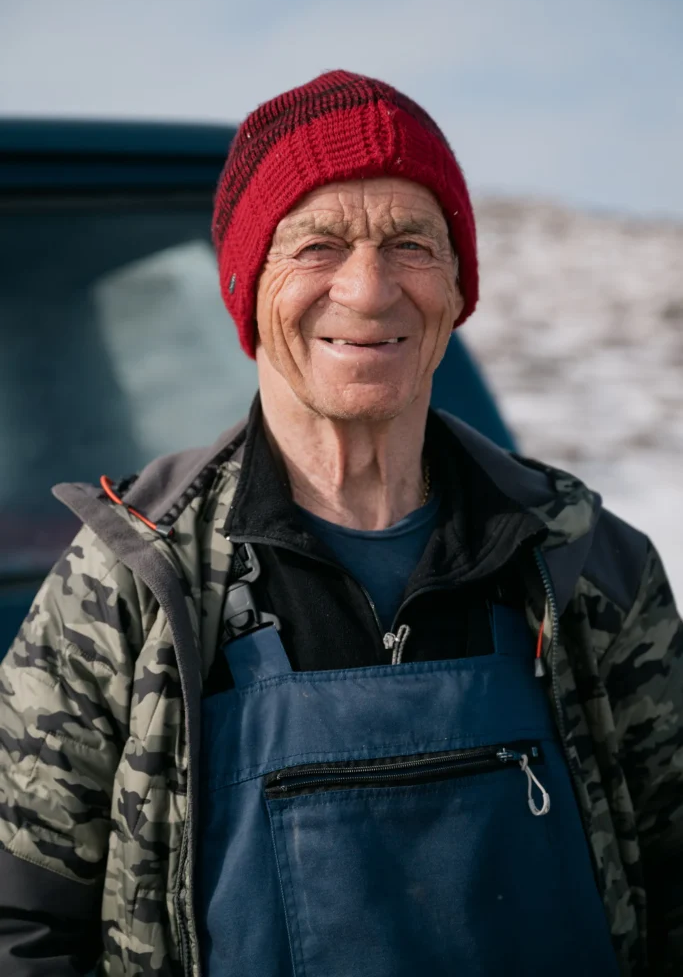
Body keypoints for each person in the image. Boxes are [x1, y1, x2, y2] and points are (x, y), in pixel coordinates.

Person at [0, 70, 681, 977]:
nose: (367, 292)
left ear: (456, 287)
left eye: (411, 243)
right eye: (316, 246)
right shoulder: (133, 577)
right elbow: (21, 930)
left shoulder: (585, 560)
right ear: (247, 286)